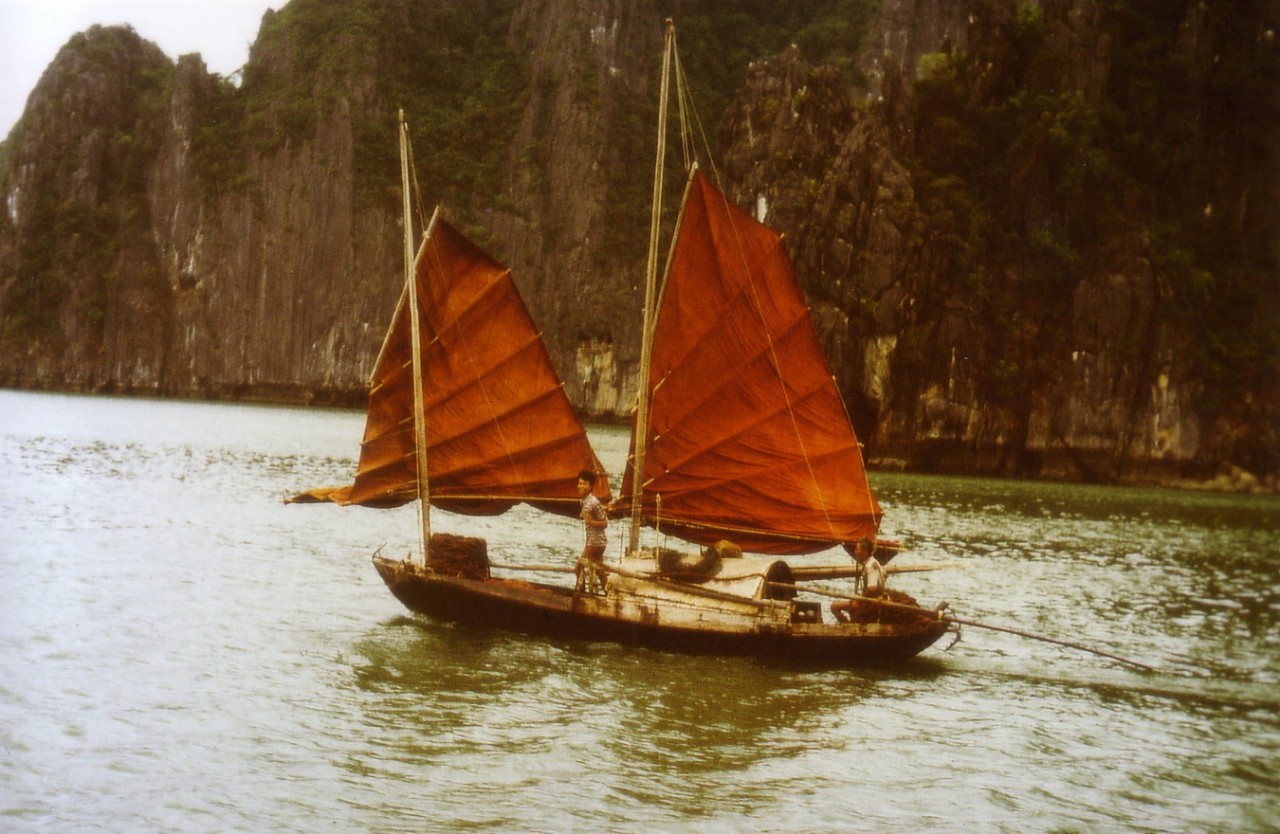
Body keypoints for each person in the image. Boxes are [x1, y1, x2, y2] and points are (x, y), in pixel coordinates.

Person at [832, 537, 886, 623]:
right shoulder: (873, 562)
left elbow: (872, 588)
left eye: (857, 550)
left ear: (864, 552)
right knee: (851, 603)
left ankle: (848, 627)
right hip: (872, 600)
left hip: (872, 603)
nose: (855, 552)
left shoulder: (870, 566)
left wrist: (858, 600)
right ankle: (850, 625)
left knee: (834, 606)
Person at [576, 469, 608, 592]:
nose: (580, 486)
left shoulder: (594, 502)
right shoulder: (584, 501)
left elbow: (605, 523)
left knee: (578, 567)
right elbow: (587, 514)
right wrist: (583, 515)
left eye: (584, 483)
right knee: (600, 571)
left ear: (590, 487)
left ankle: (580, 595)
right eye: (579, 483)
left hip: (596, 543)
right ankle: (608, 593)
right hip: (593, 542)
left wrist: (590, 521)